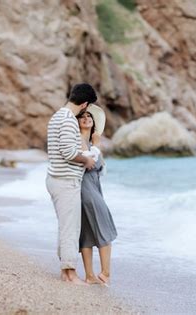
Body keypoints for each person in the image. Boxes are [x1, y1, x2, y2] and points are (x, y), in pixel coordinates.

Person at [45, 83, 97, 285]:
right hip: (65, 181)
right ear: (84, 104)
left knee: (65, 226)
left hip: (56, 178)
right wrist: (87, 160)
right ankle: (70, 273)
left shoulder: (58, 115)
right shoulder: (67, 120)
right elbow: (68, 153)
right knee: (70, 228)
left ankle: (66, 272)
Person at [76, 106, 117, 286]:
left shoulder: (90, 143)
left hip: (90, 188)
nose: (86, 118)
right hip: (87, 189)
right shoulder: (80, 141)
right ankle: (105, 273)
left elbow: (100, 168)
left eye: (89, 116)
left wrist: (96, 144)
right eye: (82, 117)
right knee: (104, 228)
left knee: (86, 232)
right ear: (77, 123)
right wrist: (97, 145)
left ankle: (90, 276)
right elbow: (92, 165)